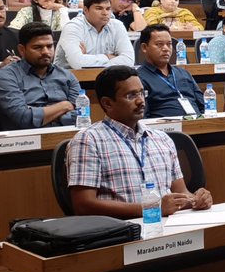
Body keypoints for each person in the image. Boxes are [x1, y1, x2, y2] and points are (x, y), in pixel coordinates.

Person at [66, 66, 212, 217]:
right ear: (107, 103)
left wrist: (197, 199)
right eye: (131, 95)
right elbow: (83, 206)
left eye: (142, 93)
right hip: (121, 233)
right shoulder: (88, 141)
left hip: (168, 228)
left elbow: (181, 192)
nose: (141, 101)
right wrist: (152, 208)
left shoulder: (162, 139)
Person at [0, 22, 81, 130]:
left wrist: (39, 115)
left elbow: (81, 115)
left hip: (66, 137)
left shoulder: (67, 76)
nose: (46, 52)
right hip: (25, 142)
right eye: (37, 47)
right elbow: (24, 119)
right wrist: (64, 106)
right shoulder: (6, 77)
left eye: (49, 46)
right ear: (22, 50)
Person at [137, 25, 205, 118]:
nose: (166, 49)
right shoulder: (139, 78)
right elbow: (143, 116)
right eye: (159, 44)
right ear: (144, 47)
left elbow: (203, 105)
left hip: (198, 124)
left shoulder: (183, 73)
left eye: (169, 44)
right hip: (165, 130)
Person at [55, 0, 134, 69]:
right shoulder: (73, 27)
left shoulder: (117, 26)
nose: (105, 13)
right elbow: (78, 63)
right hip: (69, 79)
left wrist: (88, 59)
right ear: (86, 10)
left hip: (107, 77)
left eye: (108, 9)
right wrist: (107, 57)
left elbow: (129, 60)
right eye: (99, 8)